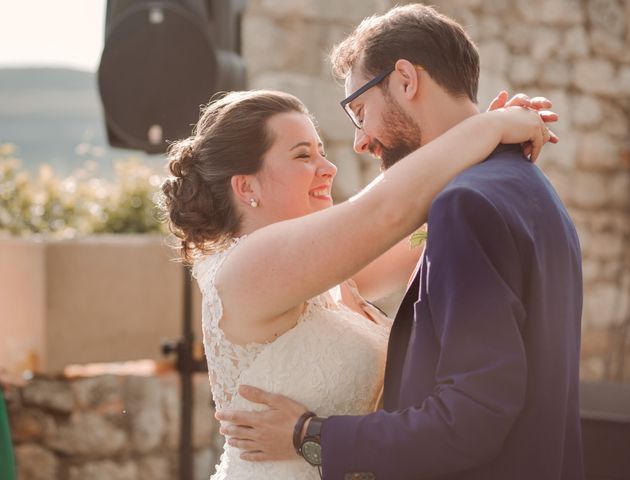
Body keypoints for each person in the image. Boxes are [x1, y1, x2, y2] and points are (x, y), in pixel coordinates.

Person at [216, 4, 583, 480]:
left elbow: (471, 419)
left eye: (359, 111)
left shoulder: (466, 206)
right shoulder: (530, 190)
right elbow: (369, 256)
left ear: (406, 80)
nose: (360, 142)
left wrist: (310, 435)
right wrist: (484, 135)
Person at [161, 84, 553, 479]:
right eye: (303, 155)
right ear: (247, 187)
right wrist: (492, 127)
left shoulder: (327, 273)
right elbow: (387, 211)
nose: (328, 168)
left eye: (322, 152)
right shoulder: (245, 267)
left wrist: (490, 148)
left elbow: (424, 231)